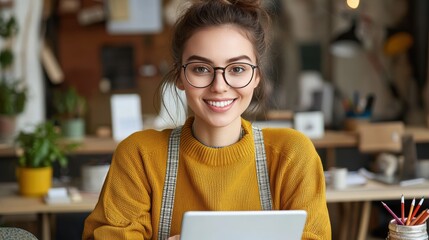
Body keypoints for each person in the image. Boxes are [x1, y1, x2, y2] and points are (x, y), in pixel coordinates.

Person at [82, 0, 331, 239]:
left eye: (237, 69)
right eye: (201, 69)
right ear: (179, 76)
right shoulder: (139, 156)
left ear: (256, 77)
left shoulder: (292, 156)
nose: (219, 86)